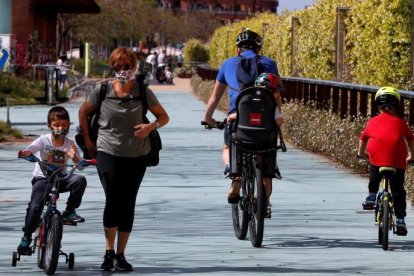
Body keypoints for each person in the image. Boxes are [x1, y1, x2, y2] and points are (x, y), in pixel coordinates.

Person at [78, 47, 169, 271]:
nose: (122, 70)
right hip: (107, 152)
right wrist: (89, 142)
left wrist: (150, 127)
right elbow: (83, 112)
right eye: (118, 67)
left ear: (134, 67)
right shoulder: (102, 89)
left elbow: (164, 116)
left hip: (136, 155)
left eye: (127, 66)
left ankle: (121, 254)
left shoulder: (142, 92)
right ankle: (108, 252)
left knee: (128, 203)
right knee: (113, 199)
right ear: (112, 67)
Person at [203, 29, 283, 218]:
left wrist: (208, 119)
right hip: (266, 124)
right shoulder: (270, 64)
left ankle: (234, 173)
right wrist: (277, 119)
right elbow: (277, 96)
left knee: (227, 146)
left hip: (238, 121)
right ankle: (265, 200)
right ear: (259, 48)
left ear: (238, 49)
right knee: (267, 164)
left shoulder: (228, 64)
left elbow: (215, 96)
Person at [17, 106, 87, 255]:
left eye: (64, 125)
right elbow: (31, 148)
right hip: (43, 179)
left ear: (68, 125)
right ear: (50, 126)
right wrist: (27, 153)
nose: (60, 128)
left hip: (61, 179)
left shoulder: (69, 143)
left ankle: (70, 211)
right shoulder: (44, 140)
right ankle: (27, 236)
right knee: (35, 207)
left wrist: (74, 156)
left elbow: (80, 166)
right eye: (56, 125)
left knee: (80, 179)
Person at [358, 86, 414, 236]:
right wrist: (411, 156)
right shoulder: (401, 122)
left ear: (378, 105)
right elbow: (410, 139)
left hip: (376, 157)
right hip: (397, 160)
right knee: (398, 190)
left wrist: (362, 154)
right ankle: (401, 220)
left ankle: (371, 196)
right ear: (397, 105)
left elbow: (363, 139)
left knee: (374, 171)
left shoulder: (372, 122)